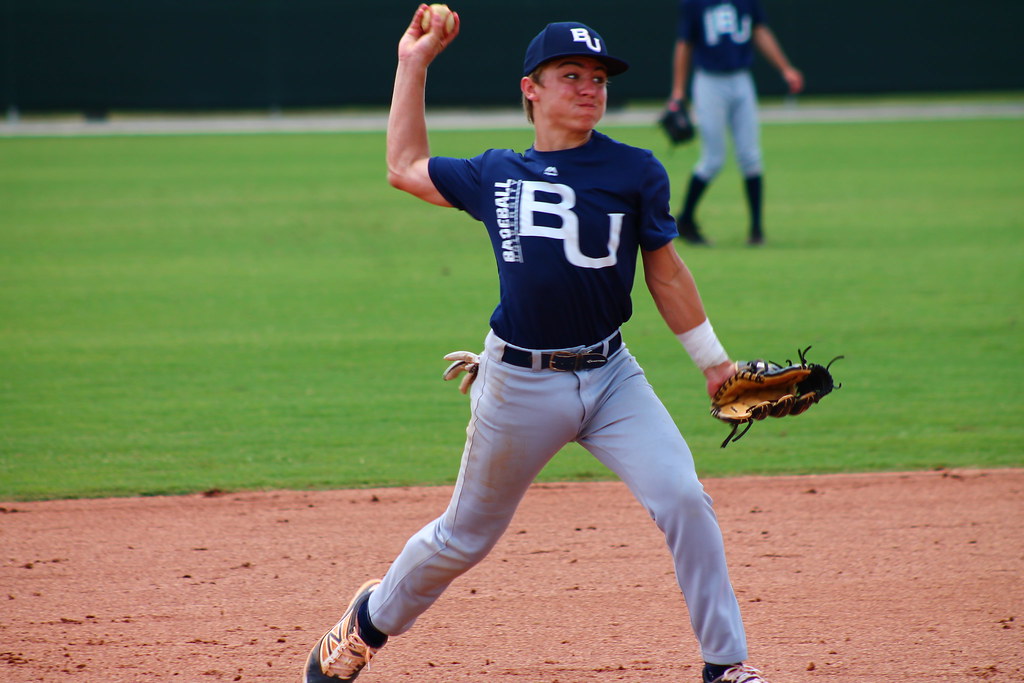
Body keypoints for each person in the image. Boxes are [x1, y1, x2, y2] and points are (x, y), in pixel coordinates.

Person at [304, 6, 772, 683]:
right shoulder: (497, 172)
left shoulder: (635, 171)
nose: (589, 87)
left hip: (612, 377)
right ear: (531, 88)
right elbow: (403, 166)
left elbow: (666, 272)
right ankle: (368, 621)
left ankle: (724, 664)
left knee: (683, 498)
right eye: (570, 74)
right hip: (519, 384)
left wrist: (714, 364)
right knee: (464, 537)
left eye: (598, 77)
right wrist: (413, 63)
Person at [669, 0, 804, 246]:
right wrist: (678, 91)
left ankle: (756, 231)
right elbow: (684, 44)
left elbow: (759, 30)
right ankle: (685, 219)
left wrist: (785, 68)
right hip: (709, 81)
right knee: (713, 159)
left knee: (751, 156)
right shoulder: (694, 3)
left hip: (741, 79)